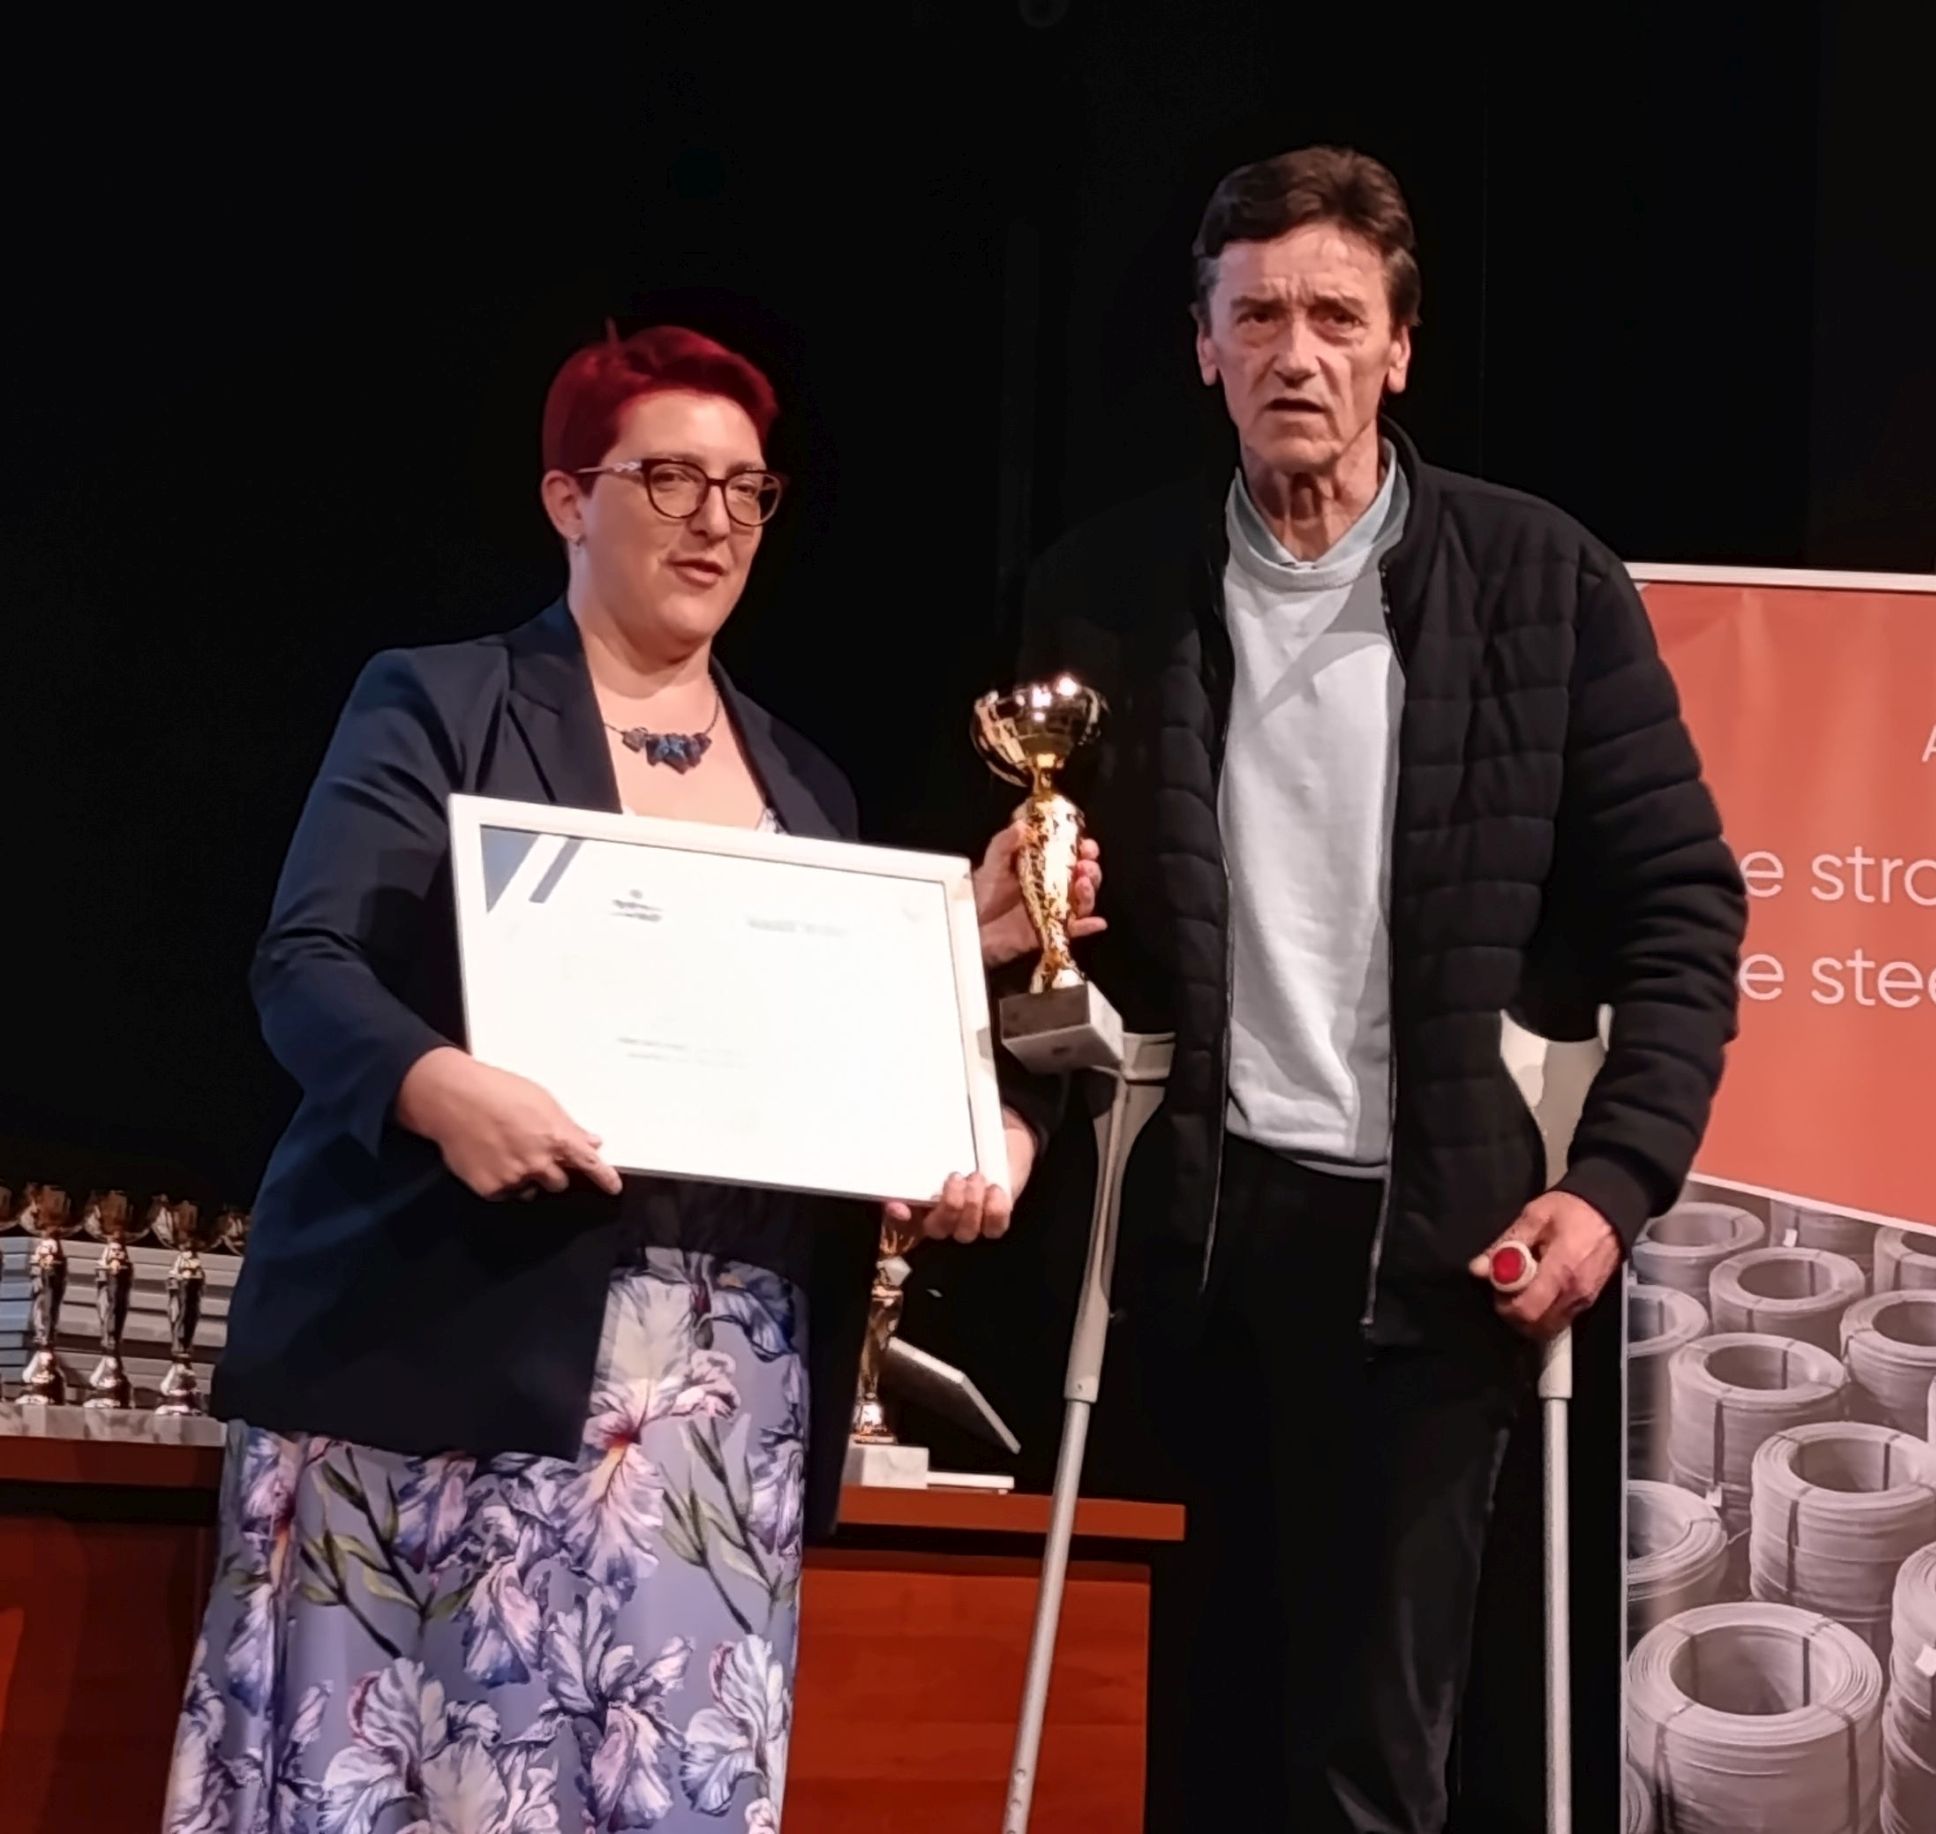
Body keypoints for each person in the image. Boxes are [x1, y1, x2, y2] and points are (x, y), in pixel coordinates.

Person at [163, 324, 1096, 1834]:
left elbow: (808, 1051)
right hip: (444, 1355)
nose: (713, 519)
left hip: (716, 1401)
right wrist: (443, 1089)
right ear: (567, 499)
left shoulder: (804, 785)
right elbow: (308, 964)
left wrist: (964, 955)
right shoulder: (444, 703)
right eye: (668, 477)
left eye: (746, 488)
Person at [1007, 147, 1745, 1832]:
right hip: (1185, 1241)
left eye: (1337, 317)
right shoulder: (1101, 591)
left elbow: (1683, 909)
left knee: (1368, 1768)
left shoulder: (1543, 582)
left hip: (1433, 1259)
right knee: (1165, 1742)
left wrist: (1612, 1185)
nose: (1298, 353)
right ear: (1203, 345)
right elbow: (1045, 916)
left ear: (1400, 348)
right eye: (1258, 314)